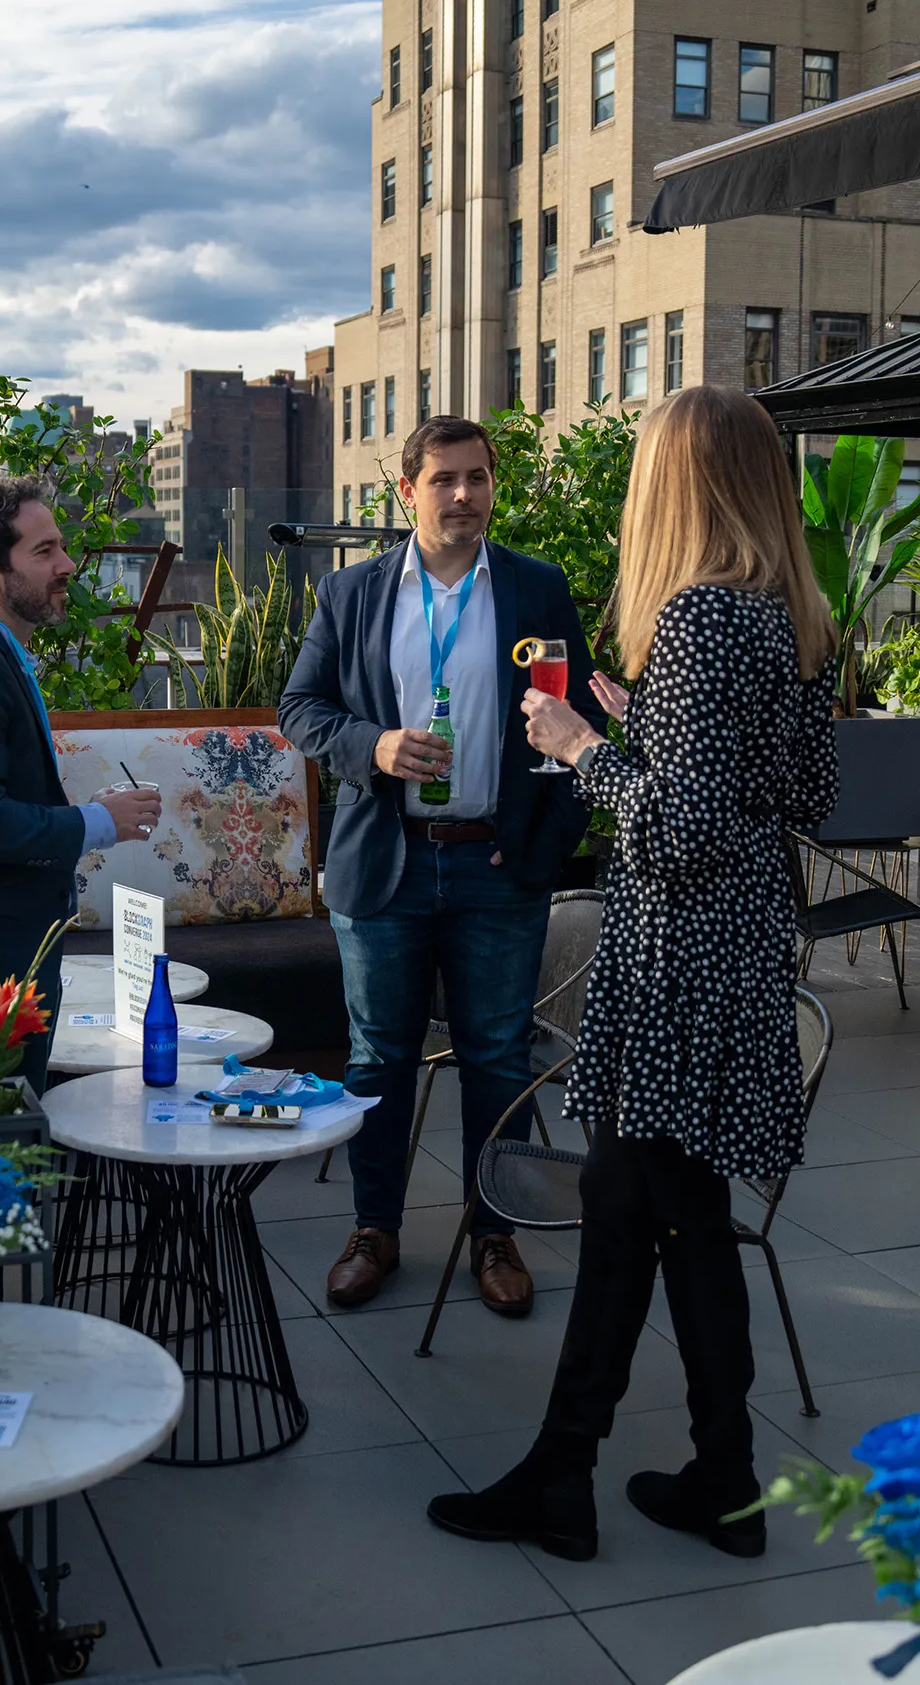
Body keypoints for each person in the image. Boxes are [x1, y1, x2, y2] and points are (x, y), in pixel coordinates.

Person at [427, 384, 839, 1562]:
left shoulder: (704, 618)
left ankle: (575, 1480)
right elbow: (801, 797)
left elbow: (678, 833)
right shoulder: (790, 616)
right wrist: (645, 726)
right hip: (746, 945)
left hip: (680, 960)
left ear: (679, 483)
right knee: (672, 1214)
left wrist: (585, 748)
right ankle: (717, 1480)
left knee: (640, 1207)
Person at [279, 415, 602, 1315]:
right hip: (386, 862)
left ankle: (493, 1231)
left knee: (498, 1056)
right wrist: (372, 745)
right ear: (406, 492)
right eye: (444, 480)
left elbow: (580, 725)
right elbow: (299, 708)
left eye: (478, 478)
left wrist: (541, 846)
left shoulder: (538, 590)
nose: (464, 496)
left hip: (497, 864)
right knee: (380, 1056)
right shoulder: (352, 595)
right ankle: (374, 1228)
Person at [0, 473, 162, 1089]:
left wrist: (89, 811)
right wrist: (99, 824)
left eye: (60, 546)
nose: (67, 564)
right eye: (44, 552)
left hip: (6, 955)